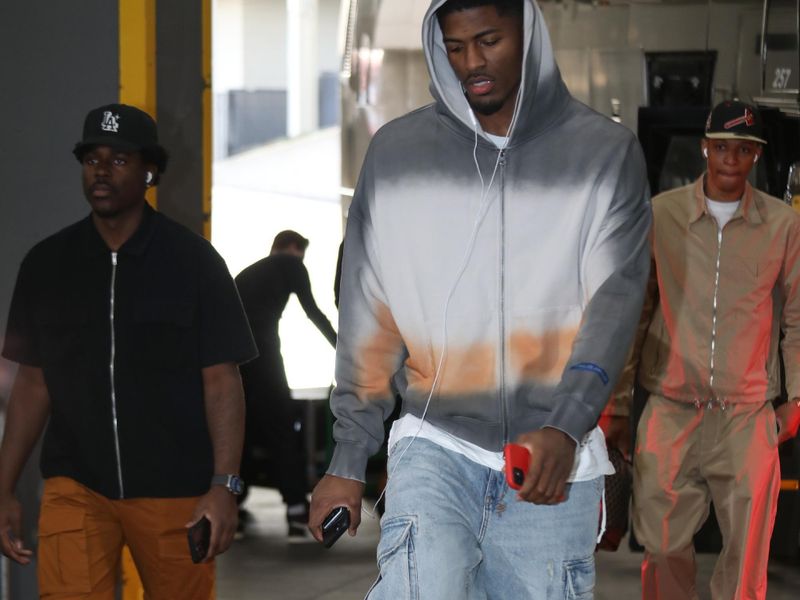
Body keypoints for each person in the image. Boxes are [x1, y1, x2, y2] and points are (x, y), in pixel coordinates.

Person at [309, 0, 651, 596]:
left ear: (529, 33)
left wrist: (567, 425)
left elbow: (613, 307)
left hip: (551, 456)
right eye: (456, 46)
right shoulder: (396, 156)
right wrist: (347, 459)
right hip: (434, 441)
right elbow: (369, 314)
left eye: (489, 40)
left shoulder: (603, 155)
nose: (472, 63)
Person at [0, 103, 257, 599]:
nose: (101, 170)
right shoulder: (47, 265)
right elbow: (34, 383)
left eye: (119, 160)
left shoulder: (193, 263)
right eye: (92, 158)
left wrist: (224, 486)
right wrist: (4, 486)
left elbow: (222, 380)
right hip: (77, 484)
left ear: (149, 172)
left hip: (174, 492)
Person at [614, 99, 800, 599]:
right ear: (704, 149)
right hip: (672, 411)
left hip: (746, 415)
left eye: (743, 149)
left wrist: (796, 398)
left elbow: (796, 317)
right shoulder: (662, 215)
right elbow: (635, 311)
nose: (730, 159)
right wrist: (616, 404)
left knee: (746, 558)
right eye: (721, 147)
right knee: (663, 544)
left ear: (756, 156)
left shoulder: (783, 226)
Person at [235, 231, 336, 539]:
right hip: (264, 356)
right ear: (293, 248)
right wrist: (343, 349)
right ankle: (295, 509)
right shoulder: (291, 263)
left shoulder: (251, 272)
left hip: (236, 360)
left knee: (243, 431)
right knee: (281, 427)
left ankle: (234, 506)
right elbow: (312, 311)